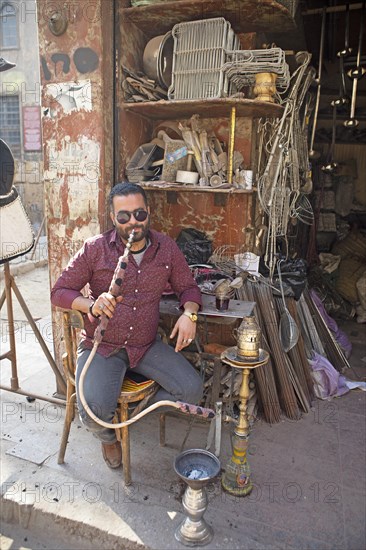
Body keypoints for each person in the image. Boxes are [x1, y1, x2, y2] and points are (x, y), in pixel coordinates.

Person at [51, 182, 203, 468]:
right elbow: (59, 291)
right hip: (104, 346)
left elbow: (188, 288)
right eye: (124, 217)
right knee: (92, 412)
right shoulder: (95, 249)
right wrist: (90, 305)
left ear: (148, 212)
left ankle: (131, 416)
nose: (133, 222)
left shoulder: (166, 248)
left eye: (139, 214)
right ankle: (109, 438)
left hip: (145, 346)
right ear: (113, 218)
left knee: (192, 390)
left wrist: (190, 314)